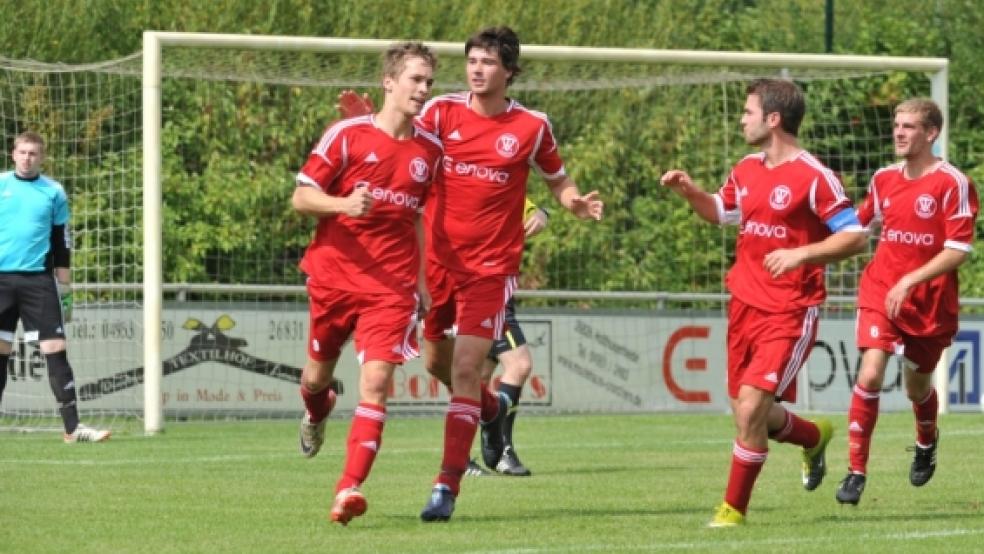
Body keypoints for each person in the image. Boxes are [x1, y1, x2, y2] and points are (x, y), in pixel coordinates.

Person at [415, 26, 603, 522]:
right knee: (436, 365)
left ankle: (445, 486)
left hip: (491, 271)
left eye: (489, 62)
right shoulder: (440, 114)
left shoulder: (532, 126)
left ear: (510, 71)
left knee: (463, 370)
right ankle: (495, 411)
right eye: (472, 60)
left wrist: (574, 202)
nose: (477, 69)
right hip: (436, 265)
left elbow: (558, 179)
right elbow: (406, 156)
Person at [660, 78, 867, 527]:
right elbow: (720, 211)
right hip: (744, 306)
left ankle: (732, 511)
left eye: (748, 112)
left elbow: (855, 234)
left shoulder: (815, 176)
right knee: (747, 412)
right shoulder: (746, 169)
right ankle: (813, 436)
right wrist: (691, 192)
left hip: (791, 309)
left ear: (773, 119)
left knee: (752, 409)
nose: (742, 119)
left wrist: (802, 253)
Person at [291, 42, 443, 526]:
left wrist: (421, 283)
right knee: (315, 380)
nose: (423, 90)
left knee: (376, 383)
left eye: (429, 82)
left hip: (392, 287)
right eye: (416, 80)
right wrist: (342, 206)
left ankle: (347, 490)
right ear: (389, 82)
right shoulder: (346, 135)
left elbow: (418, 218)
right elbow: (301, 197)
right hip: (334, 277)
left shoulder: (429, 151)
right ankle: (317, 413)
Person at [835, 98, 978, 506]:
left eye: (909, 126)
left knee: (917, 387)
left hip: (928, 302)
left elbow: (958, 249)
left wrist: (912, 280)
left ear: (931, 133)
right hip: (881, 289)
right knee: (871, 374)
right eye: (897, 125)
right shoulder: (883, 179)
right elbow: (857, 227)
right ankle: (856, 471)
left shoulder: (953, 183)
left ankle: (926, 439)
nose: (899, 132)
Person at [0, 131, 110, 443]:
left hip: (39, 281)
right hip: (1, 281)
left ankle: (73, 429)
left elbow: (62, 244)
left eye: (33, 153)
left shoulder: (54, 192)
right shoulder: (1, 185)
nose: (27, 158)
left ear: (42, 157)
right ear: (13, 154)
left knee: (55, 350)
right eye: (22, 152)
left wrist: (65, 288)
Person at [474, 198, 549, 477]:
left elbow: (530, 209)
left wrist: (541, 213)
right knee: (519, 364)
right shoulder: (461, 181)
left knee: (477, 377)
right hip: (483, 290)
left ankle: (461, 458)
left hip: (500, 287)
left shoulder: (500, 180)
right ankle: (502, 448)